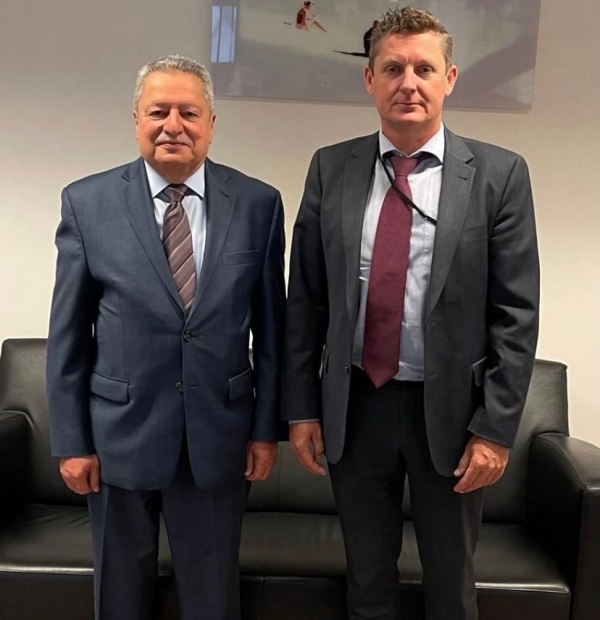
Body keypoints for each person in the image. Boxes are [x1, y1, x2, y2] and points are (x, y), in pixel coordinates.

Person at [283, 7, 539, 620]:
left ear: (449, 78)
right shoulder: (330, 168)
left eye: (424, 69)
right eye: (393, 68)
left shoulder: (499, 175)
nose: (409, 83)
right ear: (369, 79)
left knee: (450, 587)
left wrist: (494, 428)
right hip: (357, 409)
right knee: (367, 584)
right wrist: (302, 408)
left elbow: (516, 313)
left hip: (452, 416)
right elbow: (305, 301)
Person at [46, 55, 285, 620]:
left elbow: (274, 331)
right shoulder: (87, 203)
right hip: (118, 439)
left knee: (212, 599)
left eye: (188, 112)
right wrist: (71, 442)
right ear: (136, 120)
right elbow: (68, 334)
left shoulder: (258, 204)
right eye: (158, 112)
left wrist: (265, 429)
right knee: (120, 597)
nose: (172, 125)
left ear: (211, 123)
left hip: (219, 439)